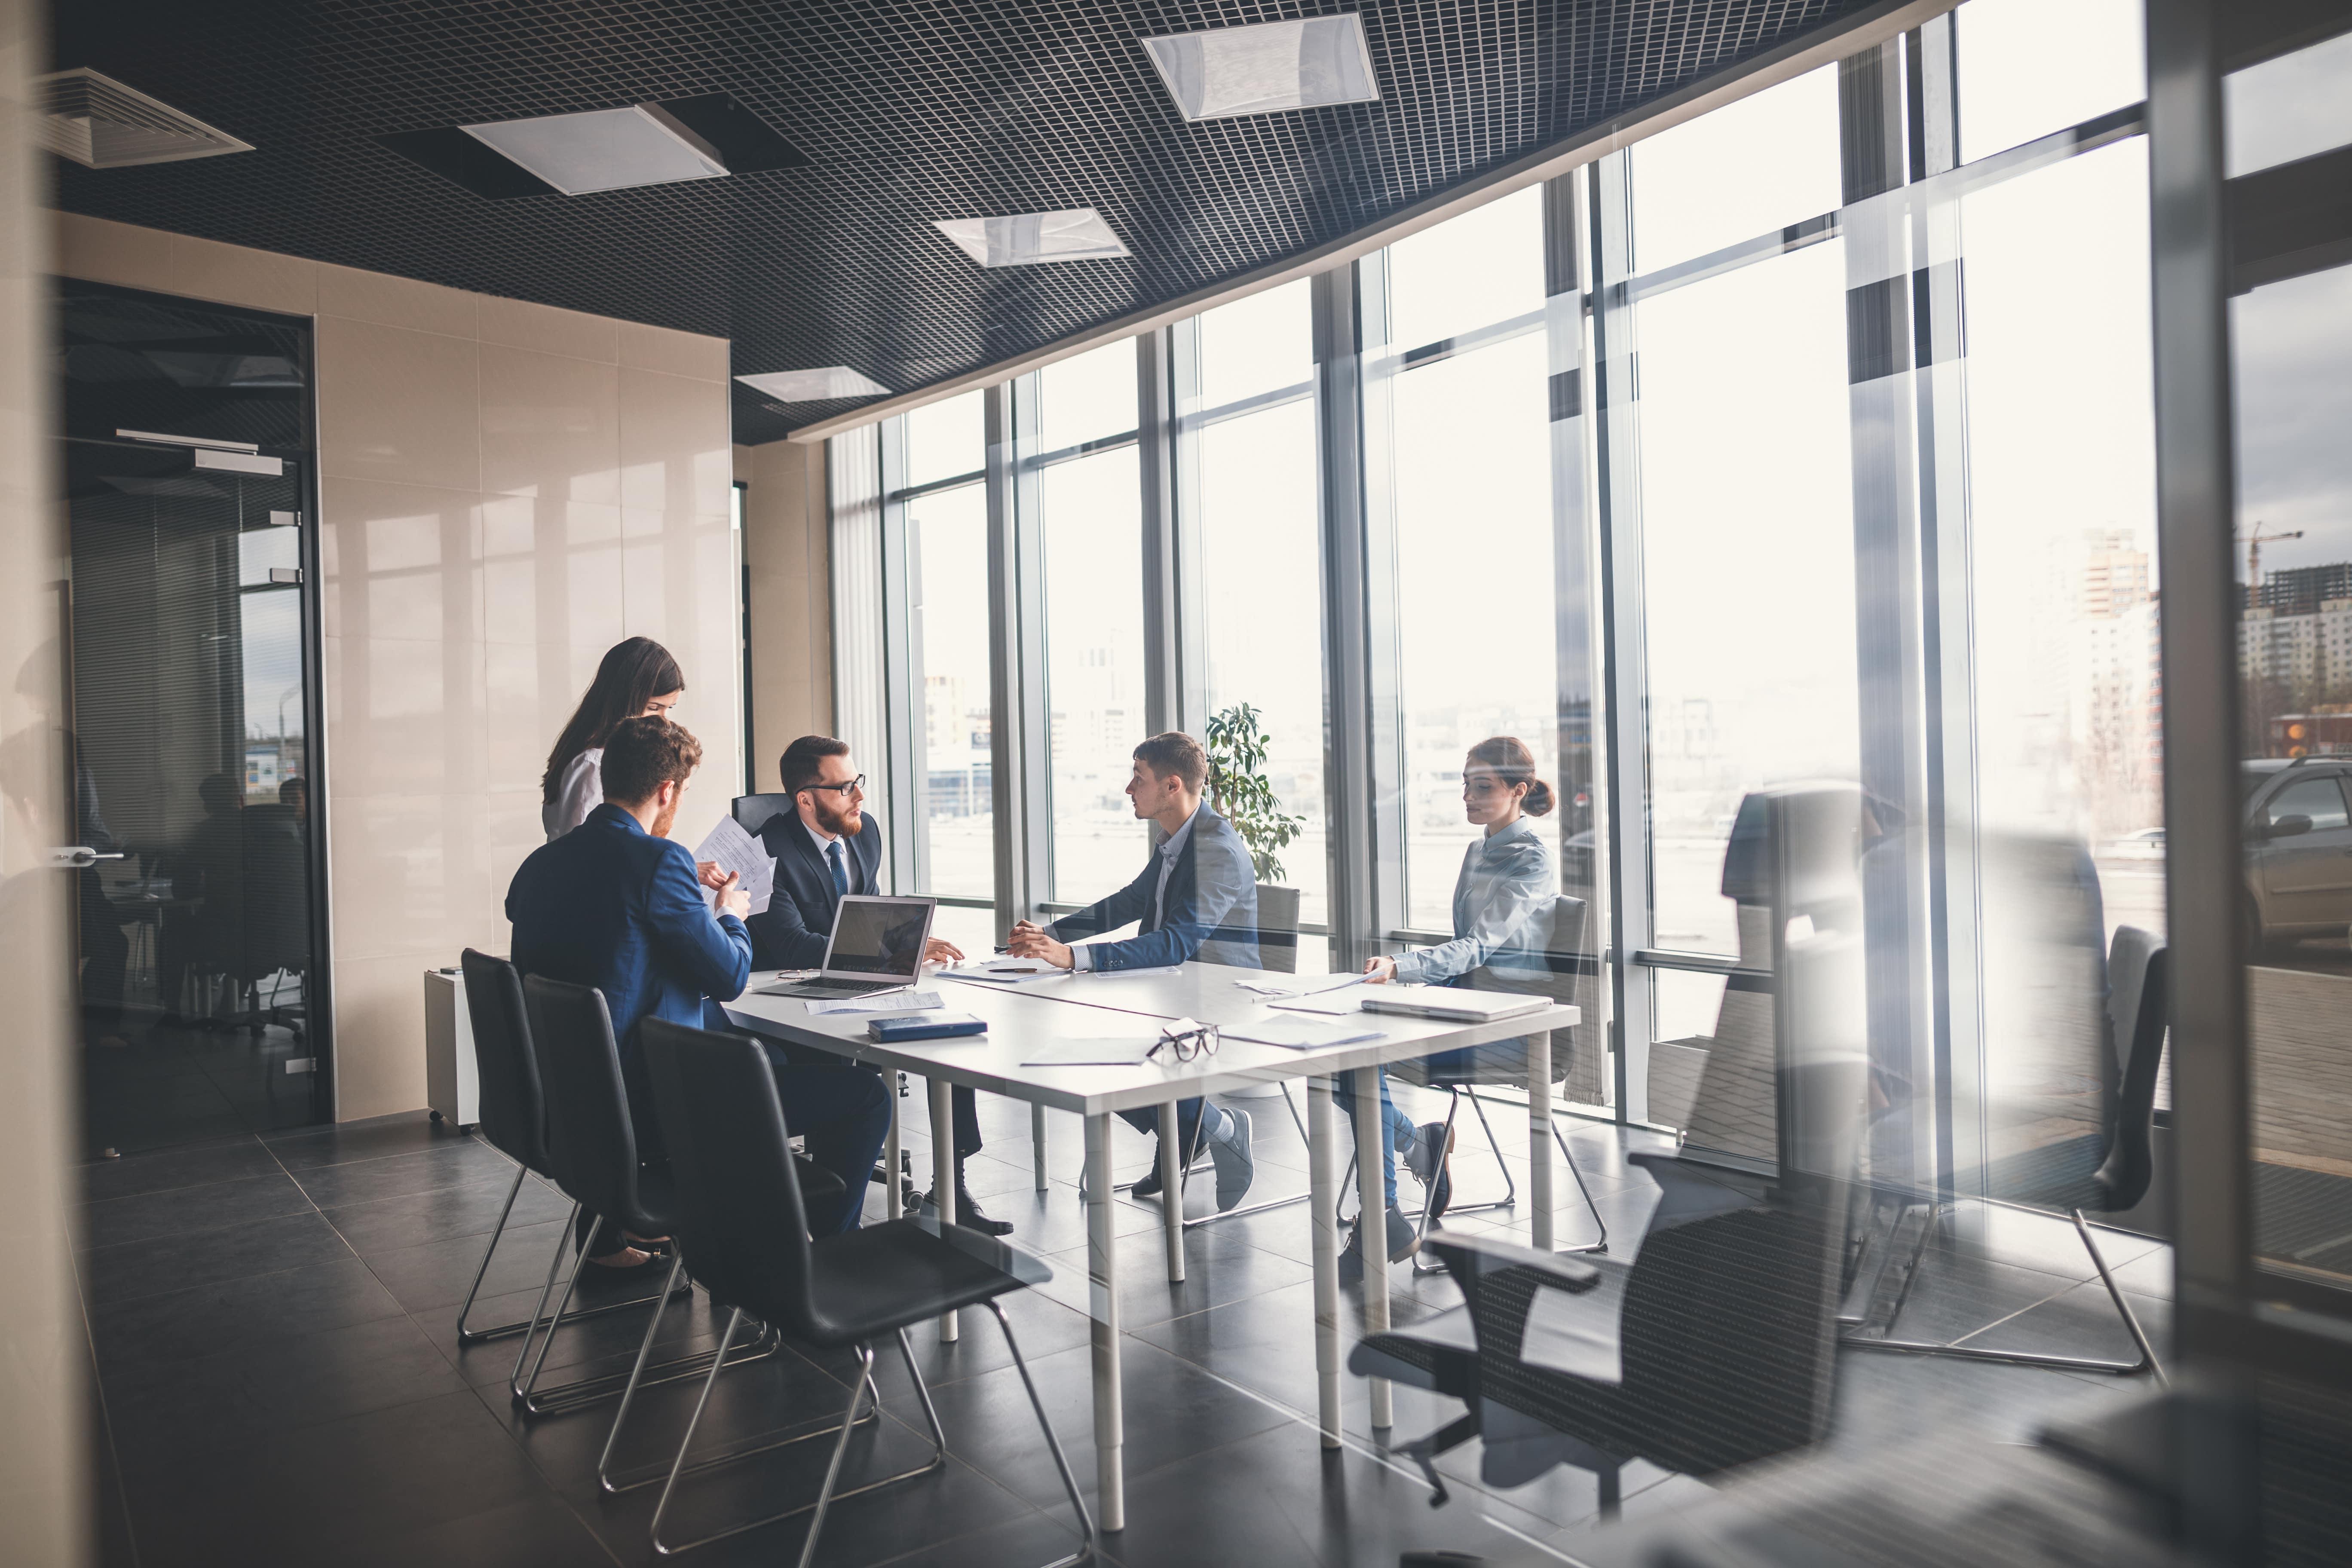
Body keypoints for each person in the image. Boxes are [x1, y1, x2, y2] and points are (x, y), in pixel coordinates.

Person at [507, 716, 889, 1274]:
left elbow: (599, 946)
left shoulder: (541, 865)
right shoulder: (661, 862)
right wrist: (732, 917)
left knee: (773, 1058)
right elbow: (731, 976)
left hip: (572, 1102)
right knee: (865, 1097)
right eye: (682, 793)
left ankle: (755, 1231)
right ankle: (826, 1267)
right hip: (660, 1105)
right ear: (667, 791)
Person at [745, 736, 1009, 1233]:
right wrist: (892, 950)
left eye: (857, 783)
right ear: (806, 798)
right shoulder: (768, 853)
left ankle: (950, 1188)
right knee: (856, 1086)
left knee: (944, 1035)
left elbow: (868, 919)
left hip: (861, 984)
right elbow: (793, 945)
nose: (859, 797)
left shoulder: (864, 835)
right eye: (845, 788)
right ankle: (829, 1214)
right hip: (789, 1002)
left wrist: (910, 941)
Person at [1006, 732, 1259, 1210]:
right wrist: (1051, 936)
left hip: (1219, 1000)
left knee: (1111, 1055)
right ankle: (1191, 1132)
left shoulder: (1216, 849)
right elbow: (1130, 902)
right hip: (1172, 992)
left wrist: (1077, 959)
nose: (1128, 789)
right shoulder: (1176, 840)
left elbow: (1177, 943)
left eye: (1138, 778)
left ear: (1172, 786)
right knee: (1092, 1049)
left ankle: (1218, 1129)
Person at [1345, 735, 1559, 1282]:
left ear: (1520, 791)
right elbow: (1465, 952)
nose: (1468, 796)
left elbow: (1478, 946)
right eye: (1465, 784)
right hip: (1464, 1009)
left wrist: (1404, 966)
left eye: (1482, 786)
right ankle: (1416, 1152)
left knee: (1358, 1059)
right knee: (1343, 1053)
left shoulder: (1532, 859)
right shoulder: (1477, 849)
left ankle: (1386, 1213)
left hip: (1509, 1025)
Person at [541, 638, 688, 841]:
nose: (662, 721)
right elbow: (585, 858)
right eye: (653, 708)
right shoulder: (592, 765)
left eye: (668, 709)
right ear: (625, 701)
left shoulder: (617, 757)